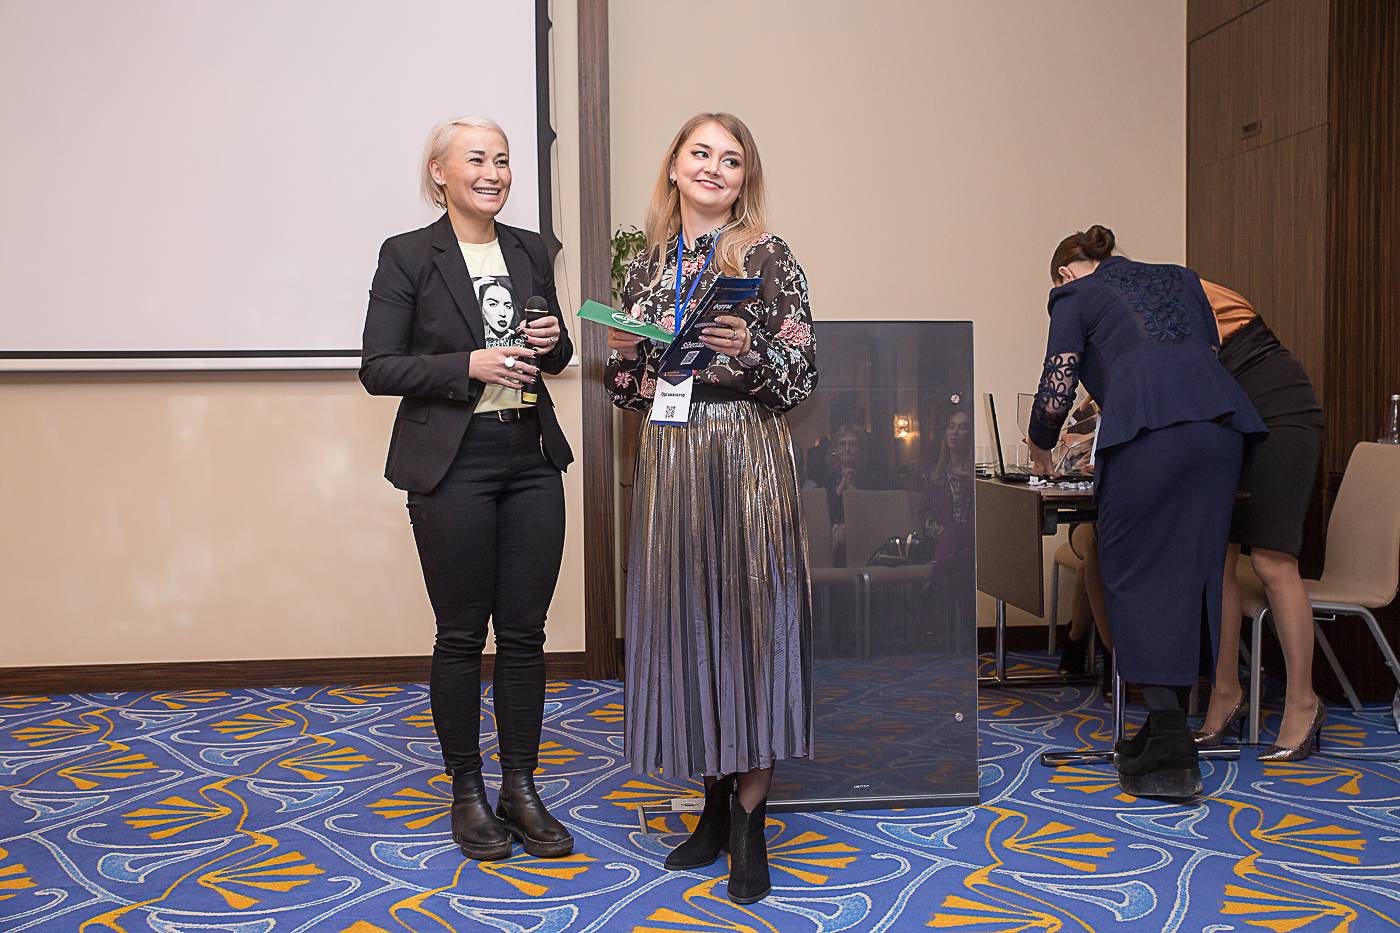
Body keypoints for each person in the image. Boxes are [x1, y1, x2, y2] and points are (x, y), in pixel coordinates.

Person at [605, 112, 817, 904]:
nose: (714, 167)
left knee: (751, 627)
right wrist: (628, 356)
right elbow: (627, 390)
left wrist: (748, 349)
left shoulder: (767, 255)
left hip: (745, 451)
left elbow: (802, 375)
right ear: (674, 166)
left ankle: (751, 821)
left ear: (743, 179)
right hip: (670, 456)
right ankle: (714, 806)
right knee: (690, 620)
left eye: (731, 159)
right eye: (700, 153)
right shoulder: (647, 264)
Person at [359, 116, 575, 861]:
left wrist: (553, 343)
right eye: (477, 159)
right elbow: (378, 367)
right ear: (440, 173)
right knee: (460, 634)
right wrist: (467, 365)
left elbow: (554, 353)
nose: (494, 172)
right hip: (453, 463)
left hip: (530, 456)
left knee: (525, 632)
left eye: (503, 160)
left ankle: (520, 786)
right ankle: (467, 791)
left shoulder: (531, 249)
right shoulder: (407, 255)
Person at [1026, 225, 1264, 800]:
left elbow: (1058, 383)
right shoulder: (1182, 280)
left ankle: (1170, 748)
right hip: (1220, 432)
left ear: (1064, 273)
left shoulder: (1073, 295)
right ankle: (1165, 727)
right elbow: (1201, 357)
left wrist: (1041, 445)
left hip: (1148, 440)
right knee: (1193, 573)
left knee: (1132, 572)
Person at [1194, 280, 1326, 760]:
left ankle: (1303, 702)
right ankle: (1225, 692)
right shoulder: (1126, 313)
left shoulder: (1173, 286)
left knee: (1272, 561)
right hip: (1230, 420)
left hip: (1280, 413)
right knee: (1218, 561)